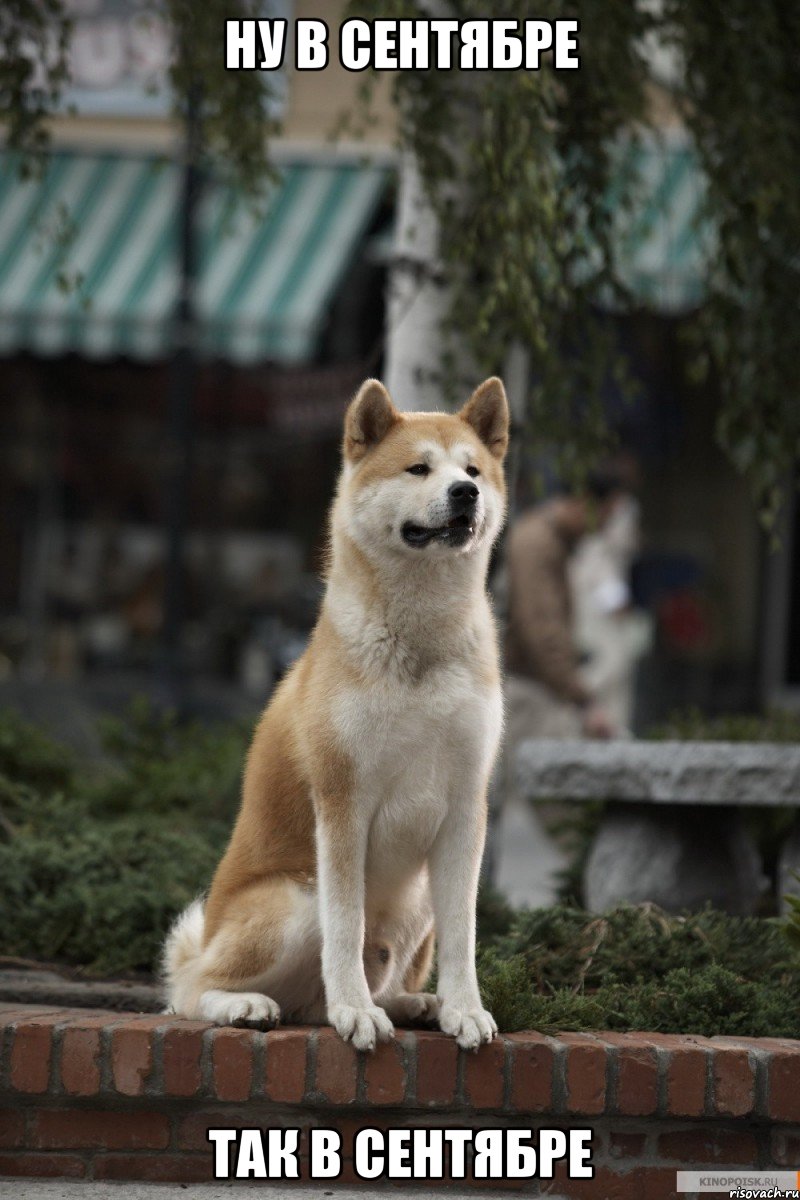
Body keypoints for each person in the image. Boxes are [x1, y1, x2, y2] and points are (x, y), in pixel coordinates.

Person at [504, 470, 627, 743]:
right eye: (606, 515)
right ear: (586, 502)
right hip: (527, 691)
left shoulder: (551, 541)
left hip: (537, 687)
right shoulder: (538, 544)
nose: (605, 527)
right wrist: (583, 701)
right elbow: (542, 630)